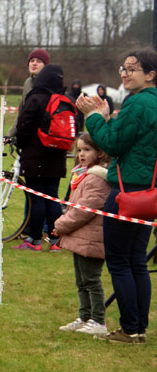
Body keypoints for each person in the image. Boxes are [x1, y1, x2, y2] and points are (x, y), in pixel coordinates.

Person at [76, 48, 157, 344]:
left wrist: (93, 118)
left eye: (132, 69)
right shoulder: (152, 102)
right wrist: (109, 117)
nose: (124, 73)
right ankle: (138, 328)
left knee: (120, 261)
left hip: (127, 191)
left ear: (150, 74)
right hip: (149, 190)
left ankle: (130, 328)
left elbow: (113, 144)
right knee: (136, 260)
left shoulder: (138, 104)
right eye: (123, 68)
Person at [53, 133, 111, 335]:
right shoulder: (83, 174)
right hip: (81, 237)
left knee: (92, 280)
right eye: (79, 150)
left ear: (100, 152)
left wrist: (60, 225)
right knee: (81, 281)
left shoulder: (97, 178)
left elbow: (83, 210)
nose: (82, 154)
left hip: (92, 238)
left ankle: (98, 321)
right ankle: (84, 316)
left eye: (87, 150)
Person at [12, 64, 67, 251]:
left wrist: (20, 143)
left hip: (35, 155)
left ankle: (34, 239)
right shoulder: (64, 100)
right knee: (53, 197)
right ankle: (55, 240)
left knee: (36, 198)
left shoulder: (36, 98)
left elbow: (23, 125)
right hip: (57, 156)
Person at [7, 48, 50, 138]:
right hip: (27, 136)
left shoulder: (51, 84)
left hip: (45, 136)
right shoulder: (27, 83)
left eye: (39, 61)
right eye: (32, 61)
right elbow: (22, 112)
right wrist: (9, 135)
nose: (34, 63)